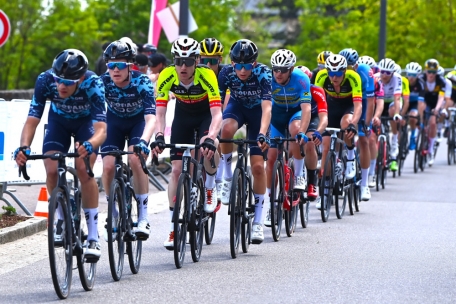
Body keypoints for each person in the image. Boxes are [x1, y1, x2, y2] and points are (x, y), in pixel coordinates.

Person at [14, 49, 107, 260]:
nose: (62, 86)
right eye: (59, 80)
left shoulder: (93, 83)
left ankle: (93, 235)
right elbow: (32, 119)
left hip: (87, 126)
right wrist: (24, 147)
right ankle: (60, 218)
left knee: (84, 170)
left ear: (80, 78)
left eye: (68, 81)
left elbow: (102, 130)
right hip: (59, 124)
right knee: (52, 168)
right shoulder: (45, 80)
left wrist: (91, 144)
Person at [151, 37, 222, 249]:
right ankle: (174, 227)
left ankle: (209, 187)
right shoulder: (167, 75)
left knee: (206, 144)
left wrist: (211, 137)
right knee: (175, 170)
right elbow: (160, 113)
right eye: (179, 61)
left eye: (189, 62)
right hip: (182, 116)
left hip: (204, 117)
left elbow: (217, 114)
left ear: (197, 61)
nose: (183, 67)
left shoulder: (206, 75)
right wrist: (159, 135)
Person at [100, 40, 156, 240]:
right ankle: (112, 214)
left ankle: (143, 216)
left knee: (135, 159)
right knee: (107, 166)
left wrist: (144, 141)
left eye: (120, 65)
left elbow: (151, 118)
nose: (115, 70)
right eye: (111, 65)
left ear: (130, 65)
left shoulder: (142, 82)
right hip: (113, 123)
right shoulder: (103, 82)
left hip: (137, 123)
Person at [218, 39, 272, 244]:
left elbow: (267, 108)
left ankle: (258, 221)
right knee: (226, 128)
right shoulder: (225, 73)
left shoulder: (264, 74)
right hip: (237, 107)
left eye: (247, 66)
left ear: (255, 63)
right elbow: (219, 106)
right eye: (238, 66)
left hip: (259, 113)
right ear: (232, 63)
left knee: (258, 167)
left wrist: (262, 133)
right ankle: (226, 174)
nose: (242, 70)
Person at [263, 50, 311, 226]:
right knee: (271, 158)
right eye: (276, 69)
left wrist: (303, 132)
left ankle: (298, 174)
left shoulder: (301, 79)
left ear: (291, 69)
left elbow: (306, 109)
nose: (278, 73)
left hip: (294, 113)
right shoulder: (268, 79)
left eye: (283, 70)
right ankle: (270, 204)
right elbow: (265, 107)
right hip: (276, 116)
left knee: (295, 130)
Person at [315, 54, 362, 209]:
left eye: (338, 74)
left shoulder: (353, 77)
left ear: (344, 71)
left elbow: (358, 106)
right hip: (330, 106)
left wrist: (354, 124)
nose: (334, 77)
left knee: (346, 123)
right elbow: (317, 102)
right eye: (331, 73)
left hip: (347, 107)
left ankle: (349, 157)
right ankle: (325, 191)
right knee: (326, 147)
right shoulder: (322, 76)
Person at [339, 48, 375, 200]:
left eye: (350, 66)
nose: (347, 70)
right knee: (341, 131)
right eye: (344, 67)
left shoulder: (365, 72)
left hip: (364, 102)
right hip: (347, 101)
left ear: (356, 65)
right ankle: (346, 158)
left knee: (364, 140)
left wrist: (366, 123)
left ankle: (365, 184)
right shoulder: (338, 73)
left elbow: (371, 101)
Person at [199, 37, 230, 204]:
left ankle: (217, 180)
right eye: (204, 60)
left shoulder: (225, 73)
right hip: (200, 112)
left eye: (213, 61)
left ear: (220, 60)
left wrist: (220, 122)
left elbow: (227, 102)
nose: (209, 65)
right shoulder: (196, 71)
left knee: (216, 138)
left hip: (218, 112)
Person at [375, 58, 402, 172]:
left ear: (392, 73)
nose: (384, 75)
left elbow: (397, 98)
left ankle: (394, 142)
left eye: (388, 73)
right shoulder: (375, 77)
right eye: (382, 71)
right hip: (379, 101)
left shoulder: (397, 78)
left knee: (392, 112)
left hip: (391, 102)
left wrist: (396, 114)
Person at [418, 59, 446, 166]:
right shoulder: (421, 79)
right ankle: (421, 131)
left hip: (436, 103)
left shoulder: (441, 81)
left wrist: (437, 109)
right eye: (429, 71)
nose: (431, 74)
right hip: (425, 100)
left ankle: (431, 150)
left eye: (433, 72)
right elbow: (419, 97)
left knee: (433, 123)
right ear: (425, 71)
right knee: (421, 114)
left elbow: (441, 97)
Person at [404, 62, 425, 150]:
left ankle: (413, 136)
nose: (411, 77)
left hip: (415, 103)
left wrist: (420, 118)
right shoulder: (403, 82)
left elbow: (420, 103)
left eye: (414, 75)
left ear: (418, 75)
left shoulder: (421, 84)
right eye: (409, 74)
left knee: (413, 117)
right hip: (405, 101)